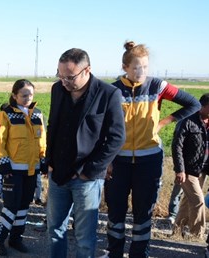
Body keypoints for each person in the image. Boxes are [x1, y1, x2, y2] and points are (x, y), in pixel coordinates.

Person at [105, 41, 200, 258]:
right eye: (136, 67)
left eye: (145, 67)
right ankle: (114, 253)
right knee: (116, 212)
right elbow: (103, 127)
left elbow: (193, 104)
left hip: (149, 161)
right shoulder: (112, 90)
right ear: (125, 67)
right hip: (118, 162)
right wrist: (107, 159)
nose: (141, 72)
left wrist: (163, 123)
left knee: (143, 213)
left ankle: (140, 254)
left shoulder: (157, 86)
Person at [45, 48, 126, 258]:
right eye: (60, 75)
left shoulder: (108, 94)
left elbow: (116, 138)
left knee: (84, 238)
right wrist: (50, 162)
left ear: (87, 70)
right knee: (54, 230)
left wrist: (89, 171)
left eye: (69, 77)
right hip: (58, 175)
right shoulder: (58, 90)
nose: (64, 81)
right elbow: (52, 126)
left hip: (86, 179)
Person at [0, 79, 47, 255]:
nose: (27, 98)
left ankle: (16, 239)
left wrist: (43, 160)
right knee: (10, 207)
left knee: (23, 207)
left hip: (31, 171)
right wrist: (3, 165)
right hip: (12, 171)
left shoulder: (38, 115)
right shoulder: (5, 114)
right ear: (15, 96)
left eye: (30, 94)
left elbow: (42, 141)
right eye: (23, 95)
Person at [172, 93, 209, 239]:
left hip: (203, 169)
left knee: (188, 201)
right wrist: (179, 170)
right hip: (187, 170)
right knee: (198, 201)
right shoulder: (187, 122)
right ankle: (197, 235)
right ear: (203, 107)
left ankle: (176, 230)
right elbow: (177, 147)